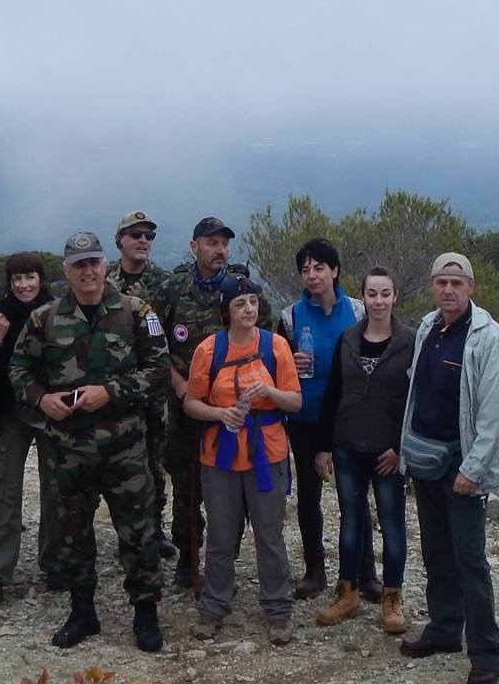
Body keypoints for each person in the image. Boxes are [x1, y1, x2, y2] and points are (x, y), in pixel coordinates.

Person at [10, 230, 170, 652]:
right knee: (73, 533)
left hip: (125, 446)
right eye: (79, 265)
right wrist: (42, 399)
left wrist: (111, 392)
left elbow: (158, 370)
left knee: (138, 532)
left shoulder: (136, 312)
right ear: (66, 271)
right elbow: (19, 371)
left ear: (104, 265)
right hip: (69, 448)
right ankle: (82, 611)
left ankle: (146, 612)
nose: (88, 271)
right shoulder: (45, 318)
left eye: (94, 263)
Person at [397, 252, 499, 684]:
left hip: (463, 464)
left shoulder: (490, 338)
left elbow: (497, 412)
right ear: (432, 286)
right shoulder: (428, 328)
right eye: (441, 282)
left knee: (469, 558)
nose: (448, 290)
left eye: (457, 282)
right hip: (427, 458)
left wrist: (474, 468)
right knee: (436, 551)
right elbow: (416, 391)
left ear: (471, 287)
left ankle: (485, 653)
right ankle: (445, 629)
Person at [155, 218, 275, 592]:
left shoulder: (242, 289)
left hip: (234, 410)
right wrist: (178, 383)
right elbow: (154, 343)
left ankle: (224, 563)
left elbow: (267, 342)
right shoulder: (172, 289)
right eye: (211, 243)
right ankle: (188, 557)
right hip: (185, 406)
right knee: (185, 482)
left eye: (224, 243)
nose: (219, 250)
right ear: (194, 247)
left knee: (231, 487)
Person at [183, 278, 303, 644]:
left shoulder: (275, 346)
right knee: (220, 535)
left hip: (267, 452)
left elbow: (295, 401)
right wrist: (220, 414)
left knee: (269, 534)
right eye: (240, 304)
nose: (249, 309)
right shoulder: (209, 350)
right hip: (220, 454)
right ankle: (213, 608)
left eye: (252, 301)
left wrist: (269, 392)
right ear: (227, 311)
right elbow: (191, 403)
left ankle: (278, 611)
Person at [313, 265, 414, 633]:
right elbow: (333, 393)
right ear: (363, 297)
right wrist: (324, 446)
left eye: (385, 293)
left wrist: (401, 448)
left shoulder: (411, 341)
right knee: (351, 520)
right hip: (349, 445)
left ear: (395, 296)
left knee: (392, 523)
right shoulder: (348, 339)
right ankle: (348, 593)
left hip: (389, 451)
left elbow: (417, 400)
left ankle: (392, 598)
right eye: (372, 294)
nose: (378, 301)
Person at [0, 252, 64, 602]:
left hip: (51, 412)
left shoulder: (60, 313)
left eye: (30, 277)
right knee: (7, 490)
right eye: (17, 279)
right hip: (14, 414)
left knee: (54, 489)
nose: (24, 285)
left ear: (41, 279)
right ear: (9, 283)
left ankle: (55, 563)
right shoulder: (0, 316)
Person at [280, 238, 364, 599]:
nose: (312, 275)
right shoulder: (291, 316)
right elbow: (276, 364)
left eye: (319, 268)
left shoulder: (358, 311)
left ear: (335, 270)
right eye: (305, 269)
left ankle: (363, 572)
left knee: (353, 496)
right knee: (309, 497)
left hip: (350, 417)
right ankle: (314, 570)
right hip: (306, 417)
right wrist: (289, 361)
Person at [108, 210, 172, 558]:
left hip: (152, 389)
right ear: (120, 240)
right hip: (112, 389)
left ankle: (154, 529)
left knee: (153, 461)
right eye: (136, 235)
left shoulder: (164, 283)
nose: (143, 240)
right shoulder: (104, 280)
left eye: (149, 235)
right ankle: (123, 530)